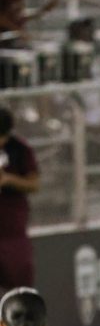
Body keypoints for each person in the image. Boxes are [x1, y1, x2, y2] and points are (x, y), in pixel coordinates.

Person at [0, 105, 39, 290]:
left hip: (13, 232)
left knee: (19, 287)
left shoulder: (20, 149)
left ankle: (15, 319)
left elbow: (34, 183)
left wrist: (9, 180)